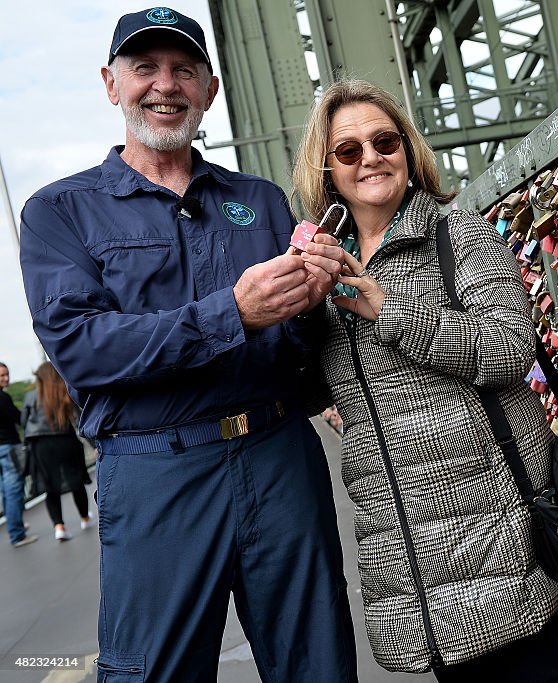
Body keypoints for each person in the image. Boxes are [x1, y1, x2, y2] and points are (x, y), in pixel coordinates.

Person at [19, 8, 357, 681]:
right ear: (111, 84)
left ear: (211, 88)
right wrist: (234, 310)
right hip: (154, 472)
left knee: (317, 664)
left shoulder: (261, 202)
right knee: (154, 671)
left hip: (279, 457)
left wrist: (314, 301)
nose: (164, 85)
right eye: (145, 68)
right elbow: (84, 347)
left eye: (184, 70)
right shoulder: (58, 211)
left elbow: (305, 360)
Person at [291, 78, 558, 681]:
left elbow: (509, 348)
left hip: (495, 543)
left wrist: (388, 310)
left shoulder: (457, 234)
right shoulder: (324, 265)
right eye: (348, 151)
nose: (370, 158)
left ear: (408, 149)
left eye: (384, 141)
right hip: (410, 569)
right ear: (327, 170)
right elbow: (317, 382)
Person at [21, 362, 93, 542]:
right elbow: (80, 421)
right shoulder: (65, 393)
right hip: (65, 441)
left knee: (49, 486)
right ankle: (84, 518)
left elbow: (24, 422)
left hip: (41, 445)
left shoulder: (31, 397)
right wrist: (95, 445)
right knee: (75, 480)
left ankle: (59, 527)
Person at [1, 361, 38, 548]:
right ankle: (17, 534)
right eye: (2, 376)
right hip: (9, 449)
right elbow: (19, 419)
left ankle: (16, 526)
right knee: (14, 491)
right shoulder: (3, 398)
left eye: (7, 374)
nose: (6, 378)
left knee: (5, 493)